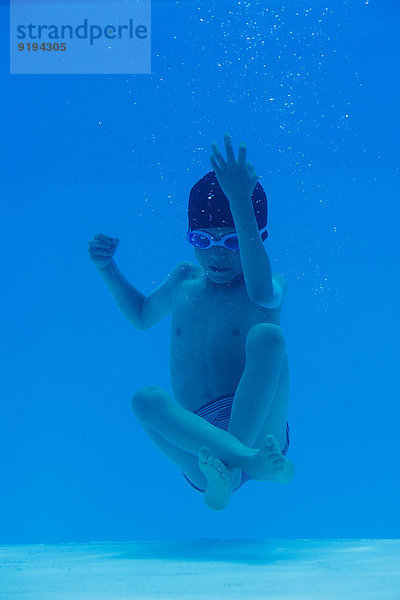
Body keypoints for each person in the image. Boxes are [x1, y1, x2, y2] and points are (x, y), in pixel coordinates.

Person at [88, 134, 294, 511]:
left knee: (269, 336)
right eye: (202, 239)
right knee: (145, 400)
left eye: (232, 242)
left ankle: (234, 471)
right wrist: (108, 269)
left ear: (255, 239)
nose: (215, 254)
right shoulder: (183, 281)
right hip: (200, 443)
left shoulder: (263, 288)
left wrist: (239, 200)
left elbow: (264, 294)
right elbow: (139, 316)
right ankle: (231, 474)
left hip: (259, 429)